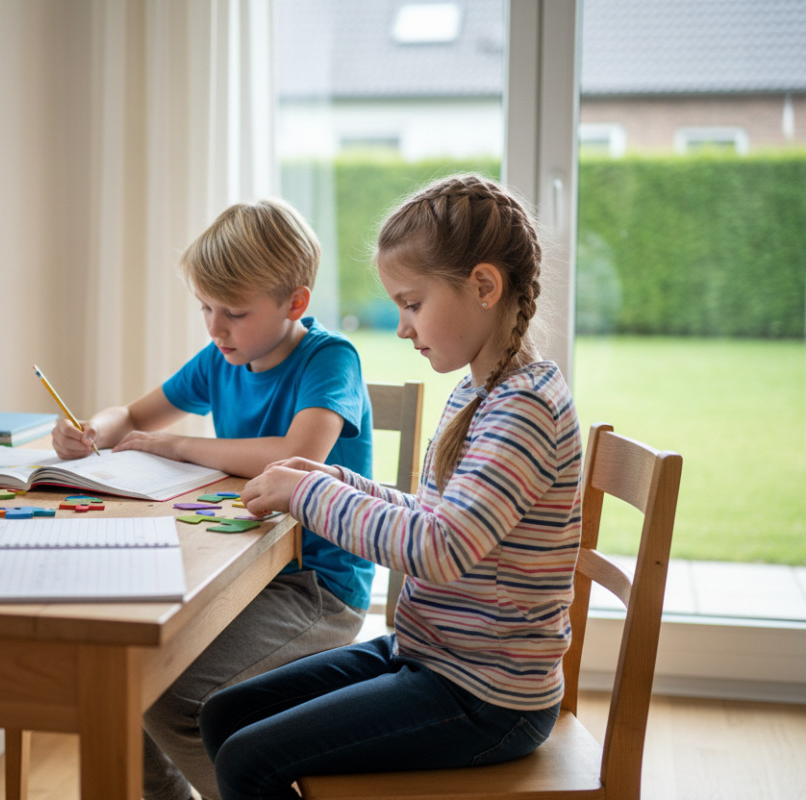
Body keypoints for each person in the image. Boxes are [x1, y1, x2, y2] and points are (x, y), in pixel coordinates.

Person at [198, 174, 584, 800]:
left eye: (412, 303)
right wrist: (336, 479)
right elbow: (437, 515)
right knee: (223, 716)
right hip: (429, 654)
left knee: (247, 760)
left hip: (487, 696)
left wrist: (308, 497)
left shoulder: (525, 409)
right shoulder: (480, 392)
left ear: (484, 287)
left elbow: (439, 548)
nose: (403, 327)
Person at [51, 198, 375, 800]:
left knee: (174, 699)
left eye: (234, 312)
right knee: (127, 678)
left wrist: (177, 445)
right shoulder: (223, 358)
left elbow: (297, 454)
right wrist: (91, 429)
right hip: (242, 575)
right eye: (205, 307)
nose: (215, 328)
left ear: (295, 303)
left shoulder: (331, 359)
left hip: (317, 589)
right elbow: (131, 416)